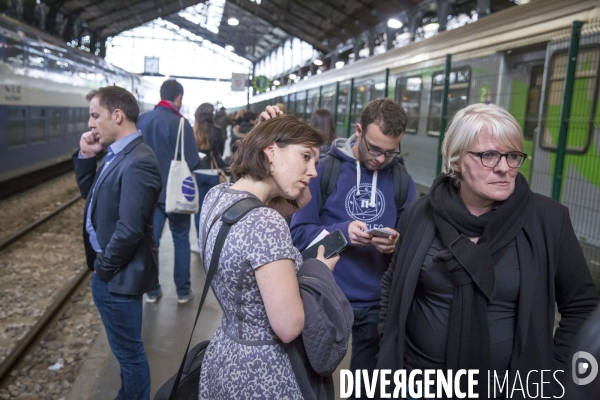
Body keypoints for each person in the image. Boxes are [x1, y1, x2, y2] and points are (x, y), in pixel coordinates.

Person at [377, 103, 599, 398]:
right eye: (488, 155)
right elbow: (394, 282)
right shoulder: (422, 213)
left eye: (512, 156)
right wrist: (388, 344)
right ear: (456, 161)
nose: (504, 167)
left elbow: (581, 307)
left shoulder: (548, 220)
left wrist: (553, 374)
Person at [197, 115, 339, 399]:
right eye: (305, 156)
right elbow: (289, 327)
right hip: (264, 372)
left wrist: (267, 135)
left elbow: (300, 201)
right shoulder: (265, 223)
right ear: (270, 151)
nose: (313, 171)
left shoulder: (218, 196)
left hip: (226, 352)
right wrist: (320, 271)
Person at [289, 99, 417, 397]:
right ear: (359, 130)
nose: (381, 159)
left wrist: (396, 244)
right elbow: (299, 234)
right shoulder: (323, 171)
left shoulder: (401, 181)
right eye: (374, 148)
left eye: (390, 151)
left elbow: (413, 242)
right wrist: (341, 232)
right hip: (324, 298)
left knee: (364, 387)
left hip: (375, 303)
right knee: (313, 382)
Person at [73, 86, 161, 400]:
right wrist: (86, 155)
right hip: (112, 273)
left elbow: (130, 229)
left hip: (117, 277)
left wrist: (104, 269)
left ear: (117, 115)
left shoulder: (138, 161)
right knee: (127, 352)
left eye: (95, 115)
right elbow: (93, 198)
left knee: (130, 355)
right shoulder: (120, 155)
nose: (91, 123)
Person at [137, 79, 200, 304]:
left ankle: (152, 291)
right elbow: (192, 161)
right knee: (181, 239)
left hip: (149, 195)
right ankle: (183, 292)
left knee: (151, 242)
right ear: (179, 98)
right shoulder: (182, 124)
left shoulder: (142, 120)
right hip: (176, 195)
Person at [192, 102, 225, 241]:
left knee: (198, 211)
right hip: (213, 173)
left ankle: (201, 243)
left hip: (197, 174)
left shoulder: (192, 130)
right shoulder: (217, 131)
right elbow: (220, 152)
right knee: (213, 210)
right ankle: (211, 242)